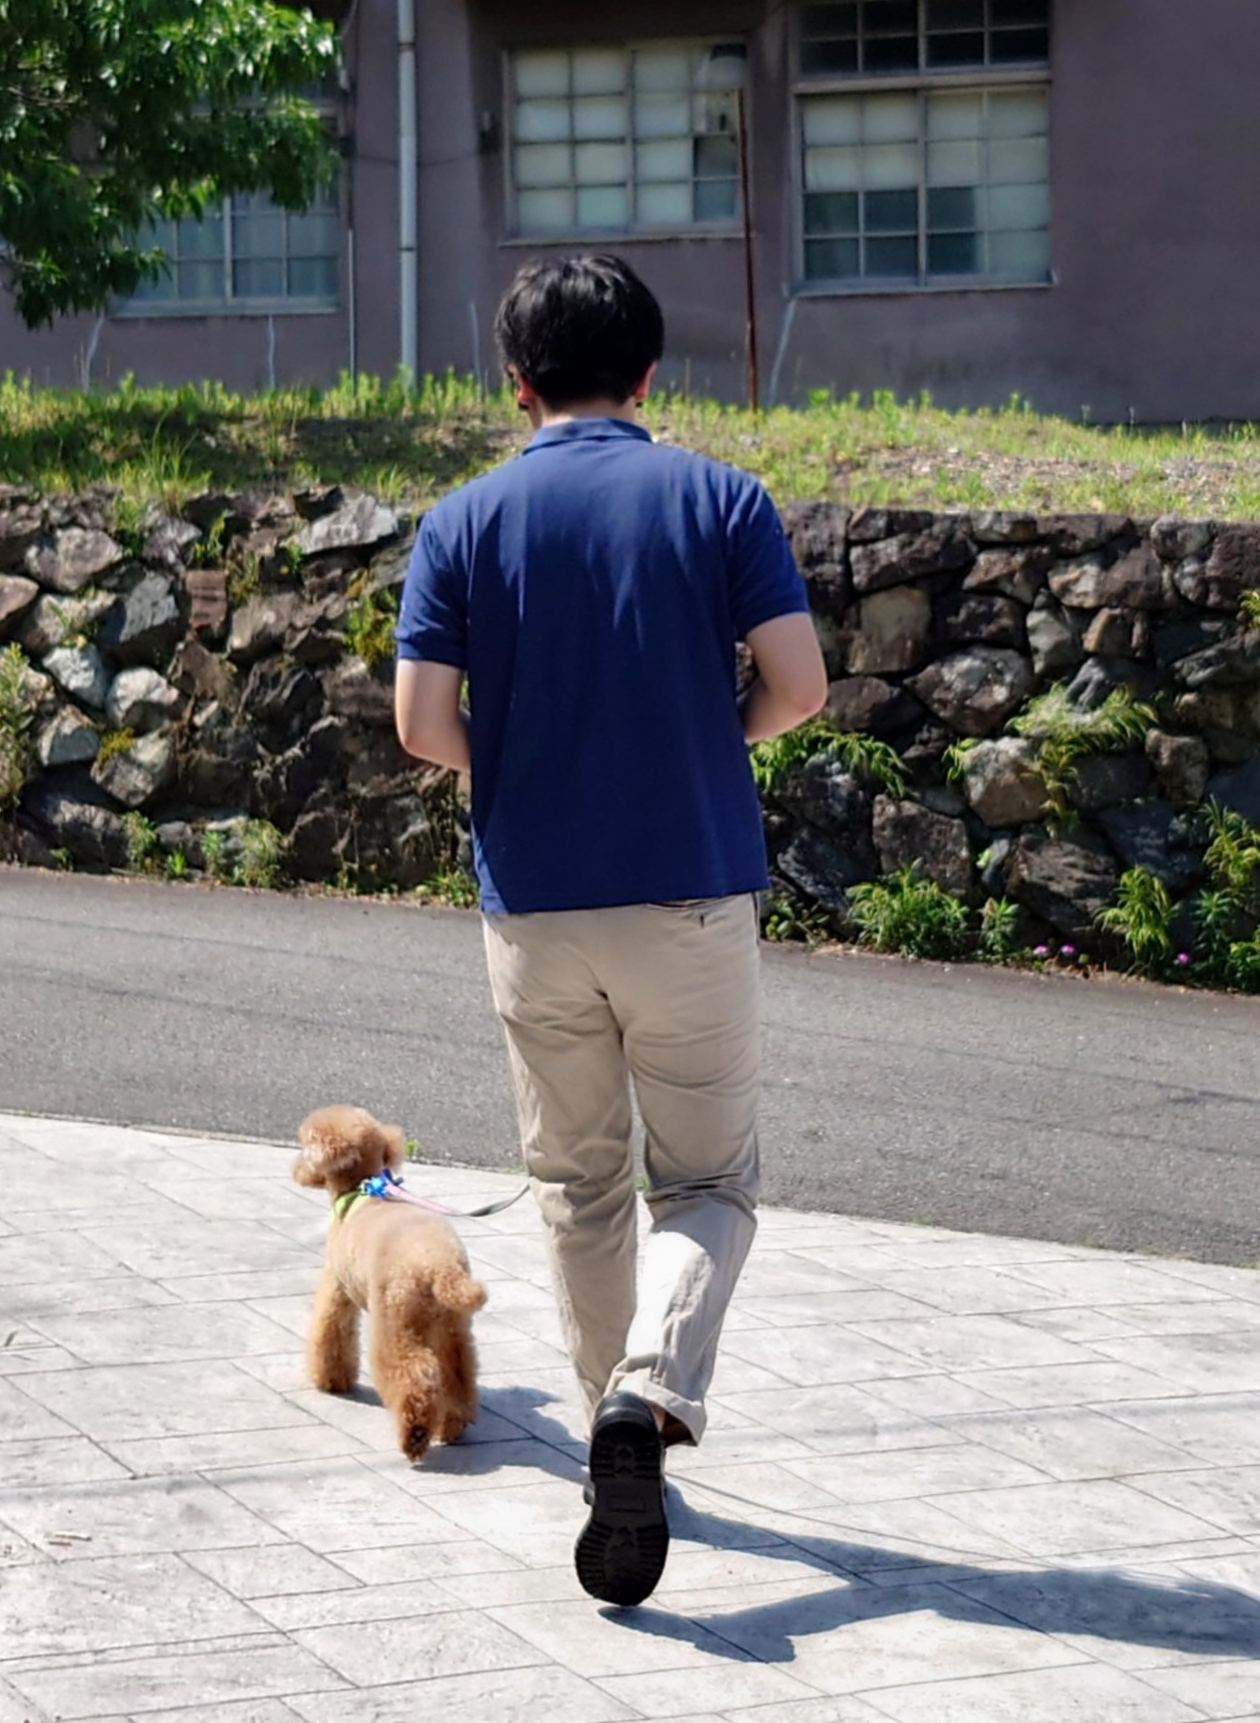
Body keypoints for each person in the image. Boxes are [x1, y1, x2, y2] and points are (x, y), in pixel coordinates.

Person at [391, 254, 829, 1608]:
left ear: (514, 383)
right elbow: (799, 686)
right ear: (647, 374)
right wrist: (714, 735)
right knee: (707, 1184)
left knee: (576, 1185)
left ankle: (605, 1433)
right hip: (688, 891)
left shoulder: (462, 520)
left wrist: (527, 773)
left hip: (533, 905)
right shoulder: (721, 499)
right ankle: (648, 1396)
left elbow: (421, 725)